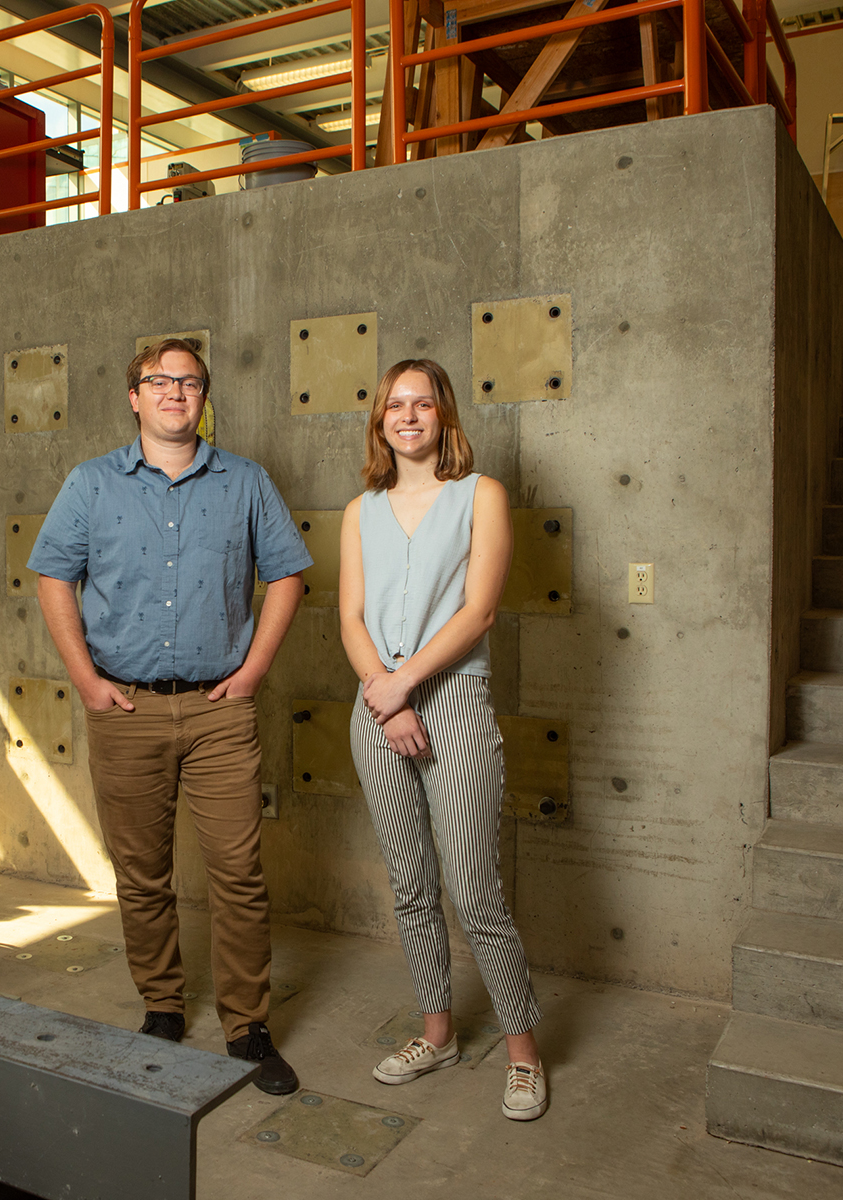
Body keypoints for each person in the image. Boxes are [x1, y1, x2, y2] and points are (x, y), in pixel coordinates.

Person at [28, 337, 311, 1094]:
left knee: (239, 873)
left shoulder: (247, 482)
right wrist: (86, 681)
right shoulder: (91, 485)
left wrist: (252, 673)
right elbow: (54, 576)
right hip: (125, 708)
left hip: (220, 710)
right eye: (159, 380)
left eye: (189, 381)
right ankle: (161, 1005)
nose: (174, 392)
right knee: (141, 875)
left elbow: (288, 577)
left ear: (204, 396)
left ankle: (247, 1026)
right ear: (135, 396)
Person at [337, 358, 548, 1121]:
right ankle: (437, 1034)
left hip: (453, 701)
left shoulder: (479, 497)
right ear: (380, 421)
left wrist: (405, 685)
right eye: (396, 404)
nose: (410, 414)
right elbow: (351, 619)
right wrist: (385, 700)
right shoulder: (362, 511)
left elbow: (479, 612)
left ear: (444, 416)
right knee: (410, 886)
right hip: (377, 710)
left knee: (474, 888)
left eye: (423, 403)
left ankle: (523, 1054)